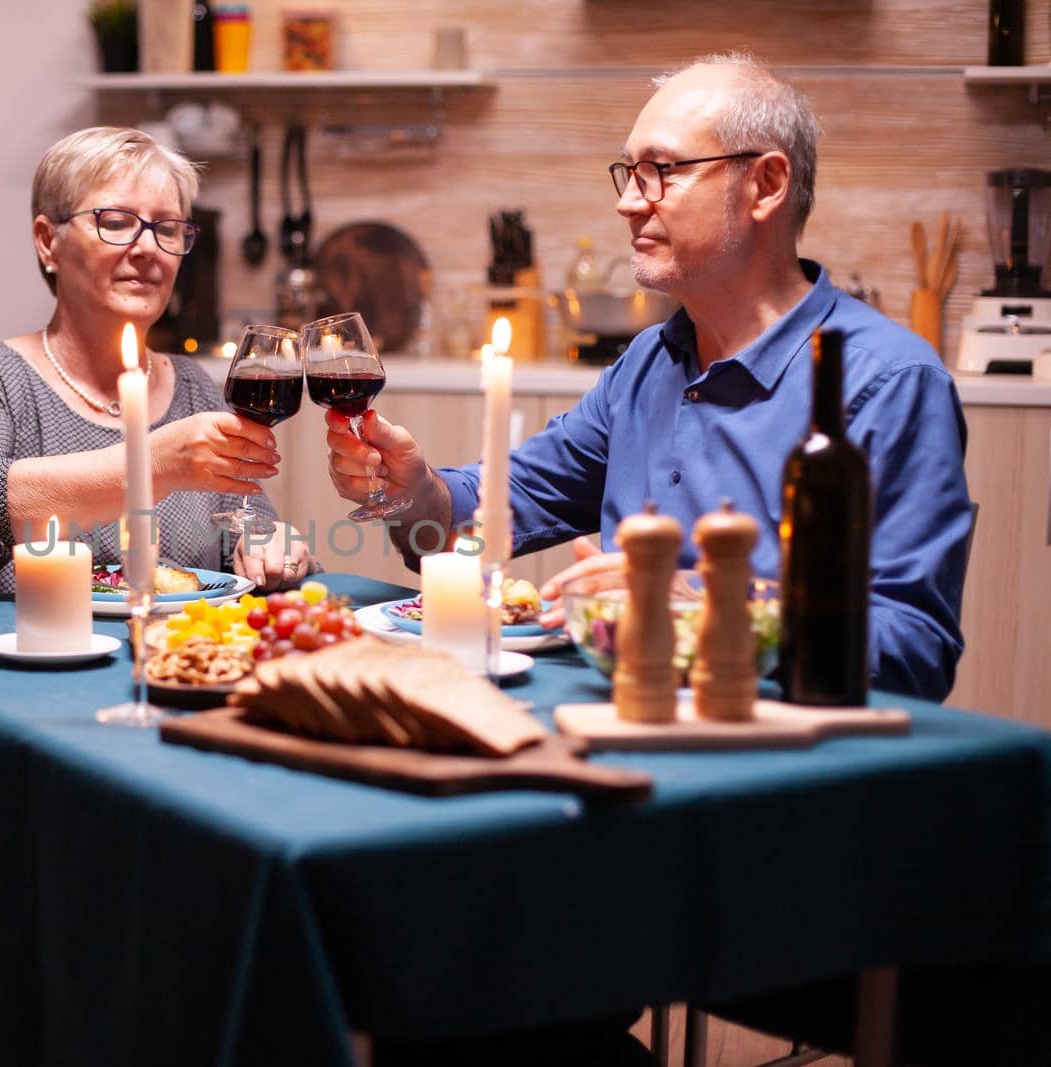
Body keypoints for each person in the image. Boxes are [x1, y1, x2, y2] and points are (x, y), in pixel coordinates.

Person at [326, 52, 971, 702]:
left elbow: (914, 651)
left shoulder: (888, 382)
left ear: (767, 184)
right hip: (625, 717)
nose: (629, 203)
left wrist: (698, 603)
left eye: (661, 171)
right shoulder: (649, 364)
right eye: (628, 173)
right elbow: (480, 520)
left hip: (780, 760)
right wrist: (414, 492)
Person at [0, 126, 315, 594]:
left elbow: (244, 536)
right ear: (48, 242)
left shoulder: (194, 388)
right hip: (15, 661)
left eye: (168, 228)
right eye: (116, 221)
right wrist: (153, 463)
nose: (148, 248)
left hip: (171, 661)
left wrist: (268, 546)